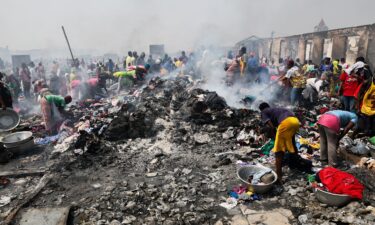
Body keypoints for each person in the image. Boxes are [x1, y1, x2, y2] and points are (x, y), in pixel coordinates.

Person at [259, 102, 300, 183]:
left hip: (286, 123)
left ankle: (279, 177)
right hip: (295, 121)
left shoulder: (263, 112)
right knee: (293, 143)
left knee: (278, 151)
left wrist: (275, 137)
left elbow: (271, 126)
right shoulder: (275, 109)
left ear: (261, 109)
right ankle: (296, 164)